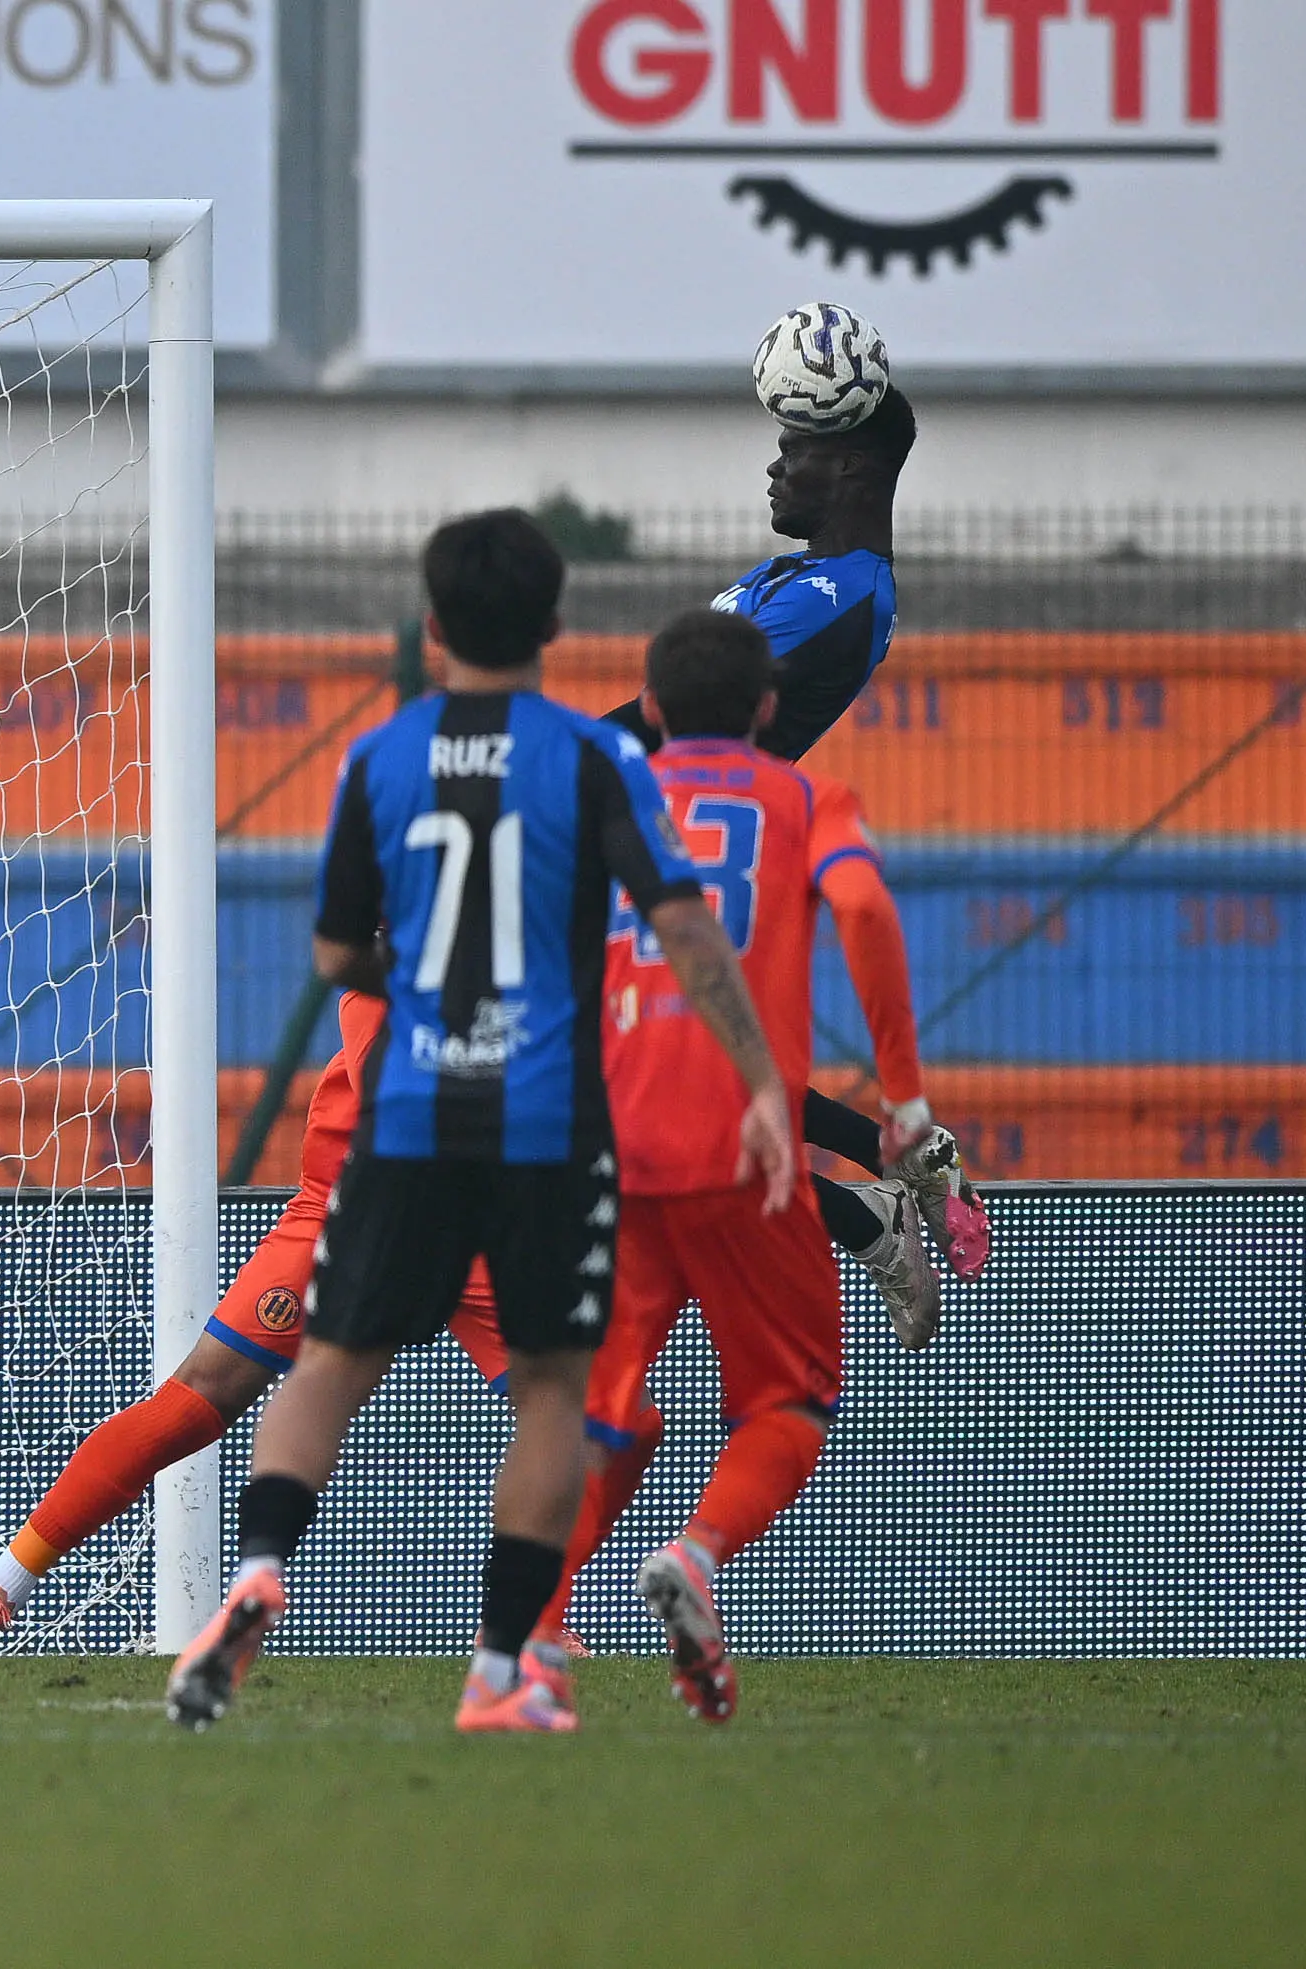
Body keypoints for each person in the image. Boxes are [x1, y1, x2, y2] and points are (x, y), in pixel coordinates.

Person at [165, 509, 795, 1737]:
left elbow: (338, 948)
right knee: (553, 1391)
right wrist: (762, 1078)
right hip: (546, 1120)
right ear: (556, 629)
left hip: (405, 1108)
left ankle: (254, 1567)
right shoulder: (595, 760)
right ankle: (500, 1669)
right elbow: (678, 921)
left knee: (335, 1362)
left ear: (434, 627)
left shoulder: (378, 760)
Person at [545, 610, 934, 1721]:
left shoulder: (600, 801)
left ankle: (530, 1626)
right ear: (770, 708)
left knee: (599, 1409)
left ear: (651, 710)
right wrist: (900, 1100)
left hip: (607, 1143)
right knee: (791, 1394)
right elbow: (858, 903)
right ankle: (701, 1554)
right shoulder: (810, 798)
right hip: (749, 1148)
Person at [0, 990, 517, 1655]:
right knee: (200, 1394)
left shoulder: (558, 922)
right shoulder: (408, 918)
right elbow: (395, 1071)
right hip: (356, 1202)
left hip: (481, 1216)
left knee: (602, 1419)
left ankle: (533, 1613)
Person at [610, 386, 988, 1339]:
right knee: (677, 1084)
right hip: (658, 844)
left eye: (795, 450)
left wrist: (518, 760)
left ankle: (875, 1186)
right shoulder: (791, 577)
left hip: (684, 854)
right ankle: (889, 1170)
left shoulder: (840, 594)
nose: (774, 468)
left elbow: (656, 721)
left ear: (850, 465)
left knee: (642, 1101)